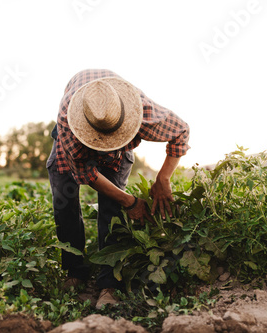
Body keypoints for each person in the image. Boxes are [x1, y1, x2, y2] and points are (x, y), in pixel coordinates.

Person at [46, 69, 190, 309]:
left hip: (119, 147)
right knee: (64, 203)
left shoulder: (141, 111)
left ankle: (109, 284)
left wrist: (163, 179)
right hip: (72, 143)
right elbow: (87, 174)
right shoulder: (69, 125)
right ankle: (75, 271)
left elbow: (181, 132)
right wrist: (131, 201)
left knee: (112, 211)